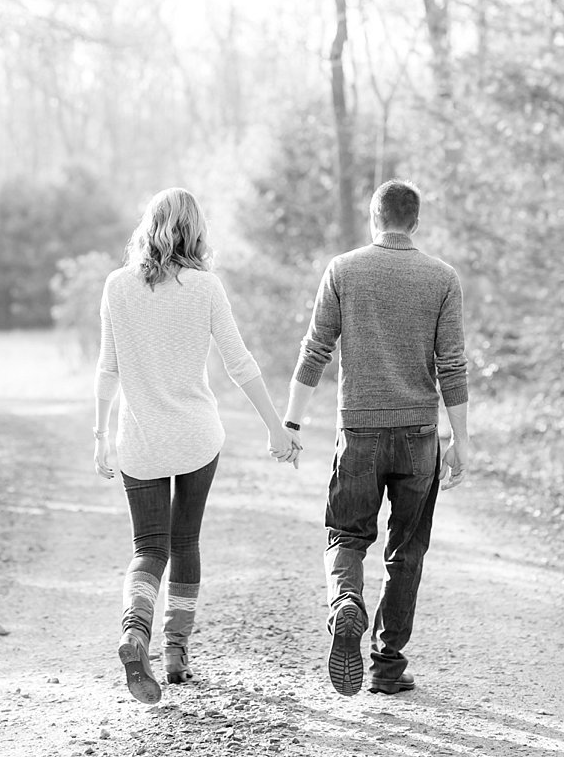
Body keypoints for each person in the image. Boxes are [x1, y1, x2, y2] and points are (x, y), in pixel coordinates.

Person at [94, 187, 299, 705]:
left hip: (139, 440)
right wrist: (276, 427)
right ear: (195, 231)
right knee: (184, 544)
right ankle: (176, 652)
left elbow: (107, 369)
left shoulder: (117, 286)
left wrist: (100, 436)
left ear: (149, 227)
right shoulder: (206, 288)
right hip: (195, 438)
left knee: (147, 549)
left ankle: (134, 633)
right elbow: (240, 362)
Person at [281, 178, 469, 698]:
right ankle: (387, 667)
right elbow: (452, 365)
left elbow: (315, 348)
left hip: (359, 432)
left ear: (373, 217)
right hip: (419, 437)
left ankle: (346, 602)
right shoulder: (443, 278)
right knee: (406, 550)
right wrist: (462, 441)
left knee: (346, 535)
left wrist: (292, 424)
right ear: (415, 222)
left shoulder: (343, 270)